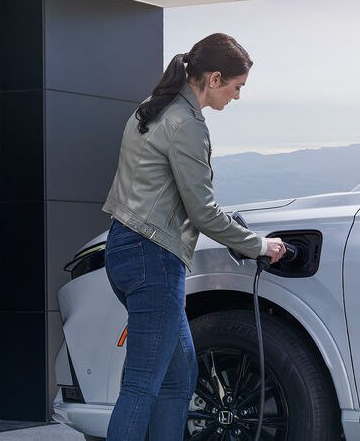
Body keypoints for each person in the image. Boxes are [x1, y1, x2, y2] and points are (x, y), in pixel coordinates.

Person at [100, 32, 287, 441]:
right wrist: (258, 244)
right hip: (154, 260)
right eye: (237, 88)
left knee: (178, 378)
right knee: (142, 385)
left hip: (124, 248)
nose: (236, 98)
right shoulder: (186, 124)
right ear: (214, 78)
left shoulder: (150, 110)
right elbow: (203, 213)